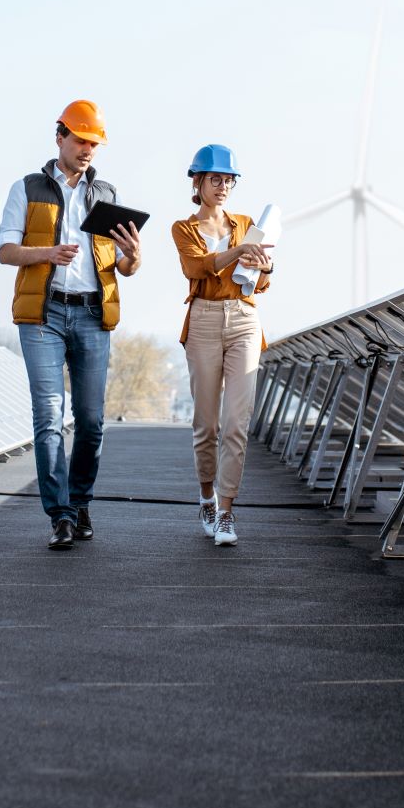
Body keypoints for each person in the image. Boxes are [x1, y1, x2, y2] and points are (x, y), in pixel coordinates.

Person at [0, 100, 143, 550]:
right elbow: (4, 249)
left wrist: (134, 257)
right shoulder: (28, 188)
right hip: (43, 313)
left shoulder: (107, 195)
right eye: (81, 140)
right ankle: (58, 514)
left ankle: (80, 503)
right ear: (59, 137)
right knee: (49, 417)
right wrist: (46, 254)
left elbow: (122, 264)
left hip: (93, 314)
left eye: (94, 143)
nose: (87, 150)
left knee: (93, 421)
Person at [170, 145, 271, 547]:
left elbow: (261, 282)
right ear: (198, 182)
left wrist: (263, 267)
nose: (223, 186)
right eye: (216, 179)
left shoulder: (246, 224)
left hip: (244, 318)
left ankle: (227, 512)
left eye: (229, 180)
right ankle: (207, 497)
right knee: (207, 425)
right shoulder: (183, 228)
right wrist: (238, 251)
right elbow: (195, 267)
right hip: (205, 321)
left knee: (236, 424)